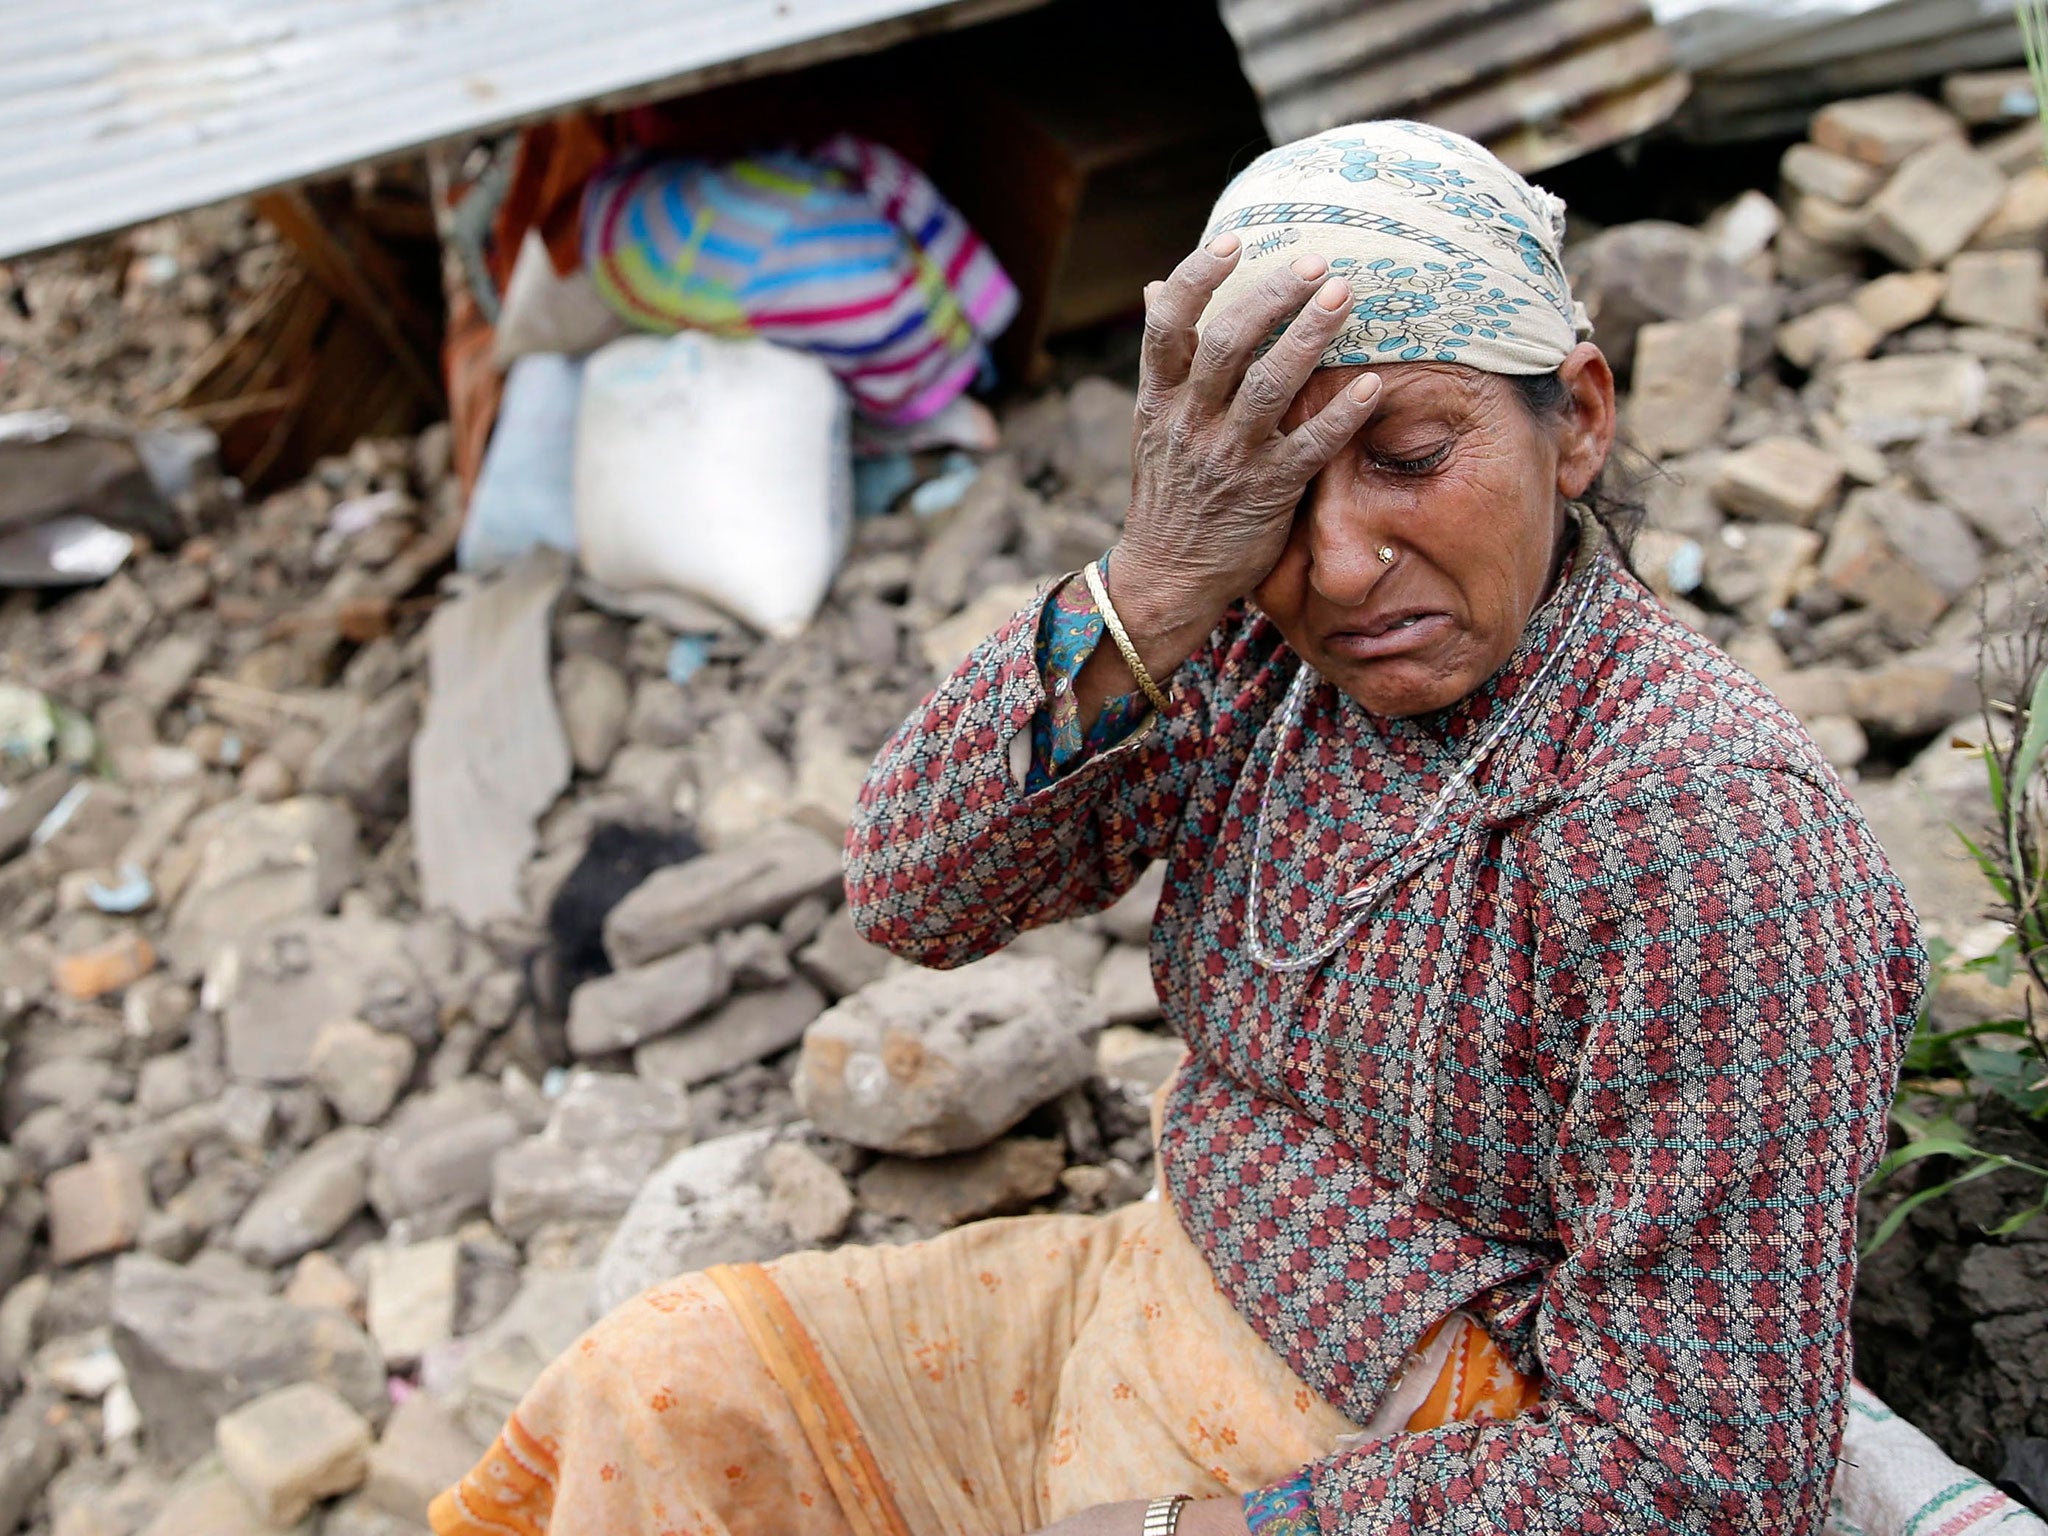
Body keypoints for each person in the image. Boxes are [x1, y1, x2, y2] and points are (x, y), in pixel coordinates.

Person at [433, 119, 1925, 1536]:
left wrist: (1181, 1526)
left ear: (1577, 421)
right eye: (1276, 486)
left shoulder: (1709, 837)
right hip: (1134, 1300)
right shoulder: (1251, 654)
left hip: (1393, 1462)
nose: (1341, 565)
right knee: (669, 1385)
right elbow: (910, 889)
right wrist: (1152, 582)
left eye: (1411, 458)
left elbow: (1708, 1485)